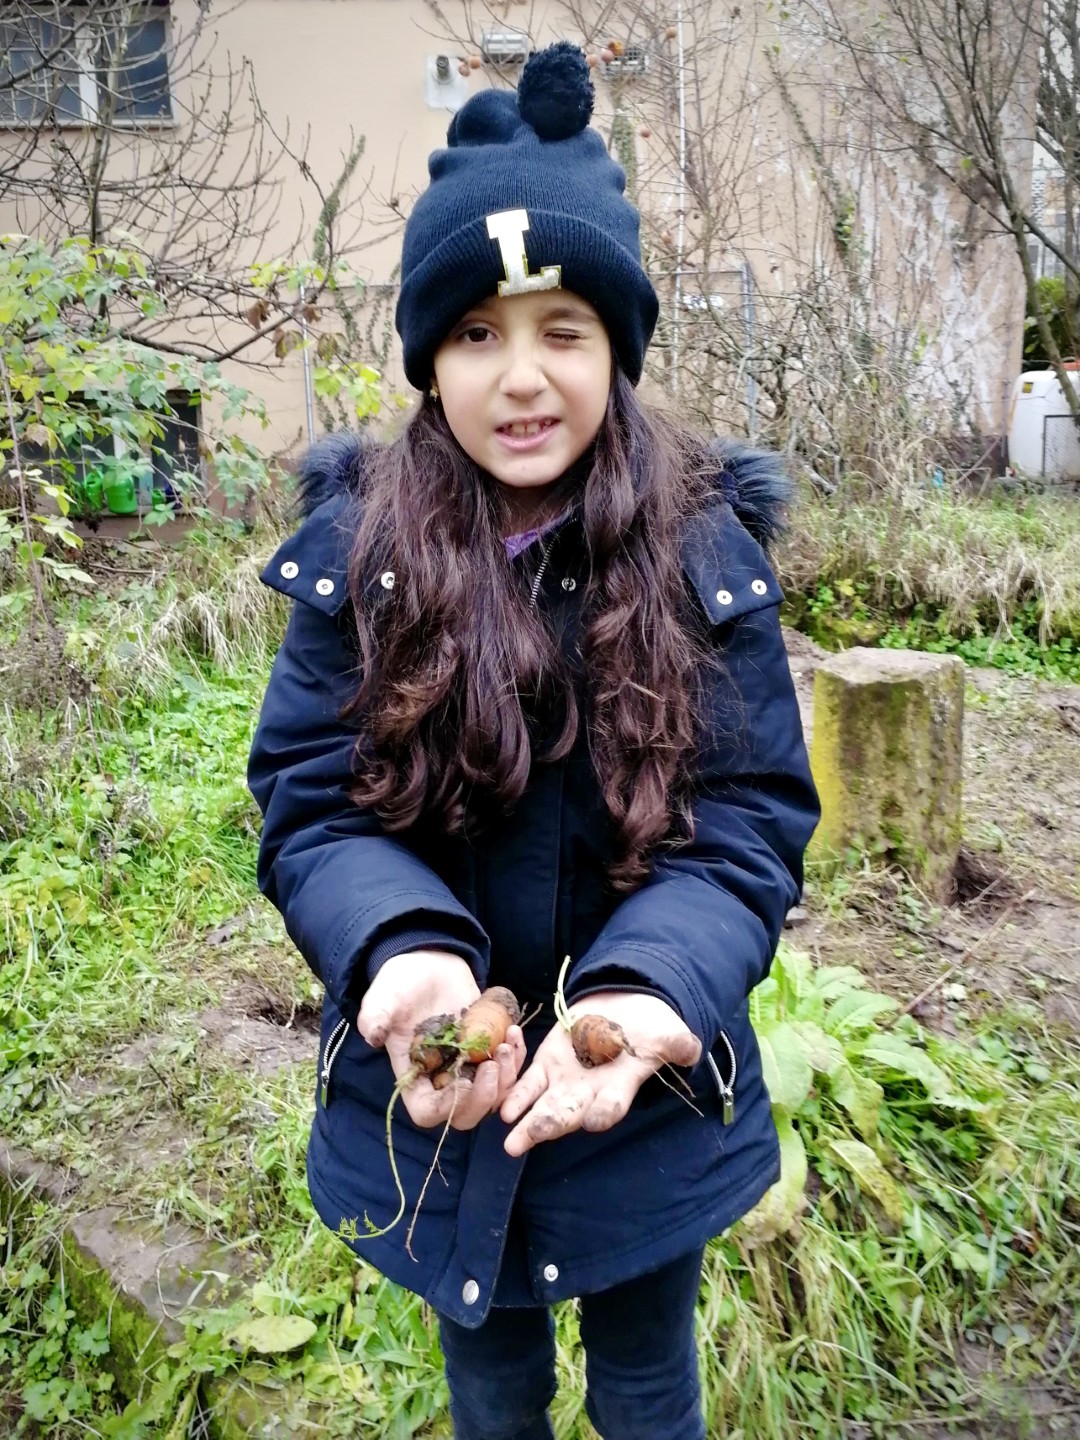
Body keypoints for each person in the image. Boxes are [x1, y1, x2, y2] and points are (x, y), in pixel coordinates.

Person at [247, 40, 819, 1440]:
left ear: (617, 349)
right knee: (491, 1380)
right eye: (475, 335)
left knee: (647, 1376)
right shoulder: (362, 564)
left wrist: (649, 996)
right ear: (427, 358)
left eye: (563, 331)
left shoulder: (701, 557)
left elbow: (746, 823)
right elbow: (315, 802)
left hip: (646, 1091)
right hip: (441, 1090)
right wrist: (403, 959)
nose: (521, 379)